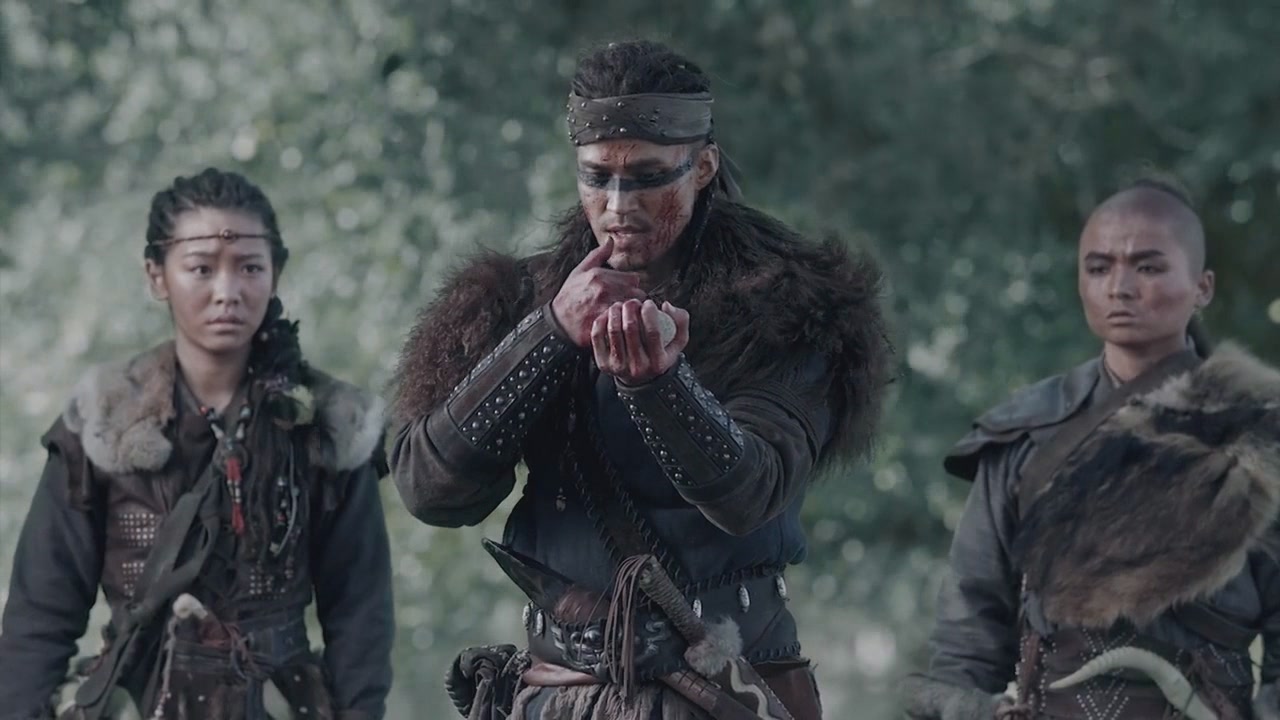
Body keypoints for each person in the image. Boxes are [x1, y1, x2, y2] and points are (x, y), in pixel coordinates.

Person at [389, 39, 893, 720]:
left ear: (703, 166)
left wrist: (661, 386)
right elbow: (427, 487)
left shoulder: (790, 305)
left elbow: (751, 494)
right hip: (557, 691)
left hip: (724, 695)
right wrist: (550, 333)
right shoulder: (520, 298)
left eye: (649, 176)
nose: (619, 203)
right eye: (597, 176)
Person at [0, 169, 395, 720]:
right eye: (202, 268)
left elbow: (359, 614)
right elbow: (41, 614)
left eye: (249, 267)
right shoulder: (104, 421)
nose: (227, 291)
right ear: (157, 276)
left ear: (275, 273)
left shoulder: (329, 425)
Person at [901, 179, 1280, 719]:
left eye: (1147, 267)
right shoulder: (1027, 432)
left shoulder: (1258, 430)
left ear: (1202, 287)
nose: (1119, 287)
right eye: (1098, 268)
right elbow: (971, 624)